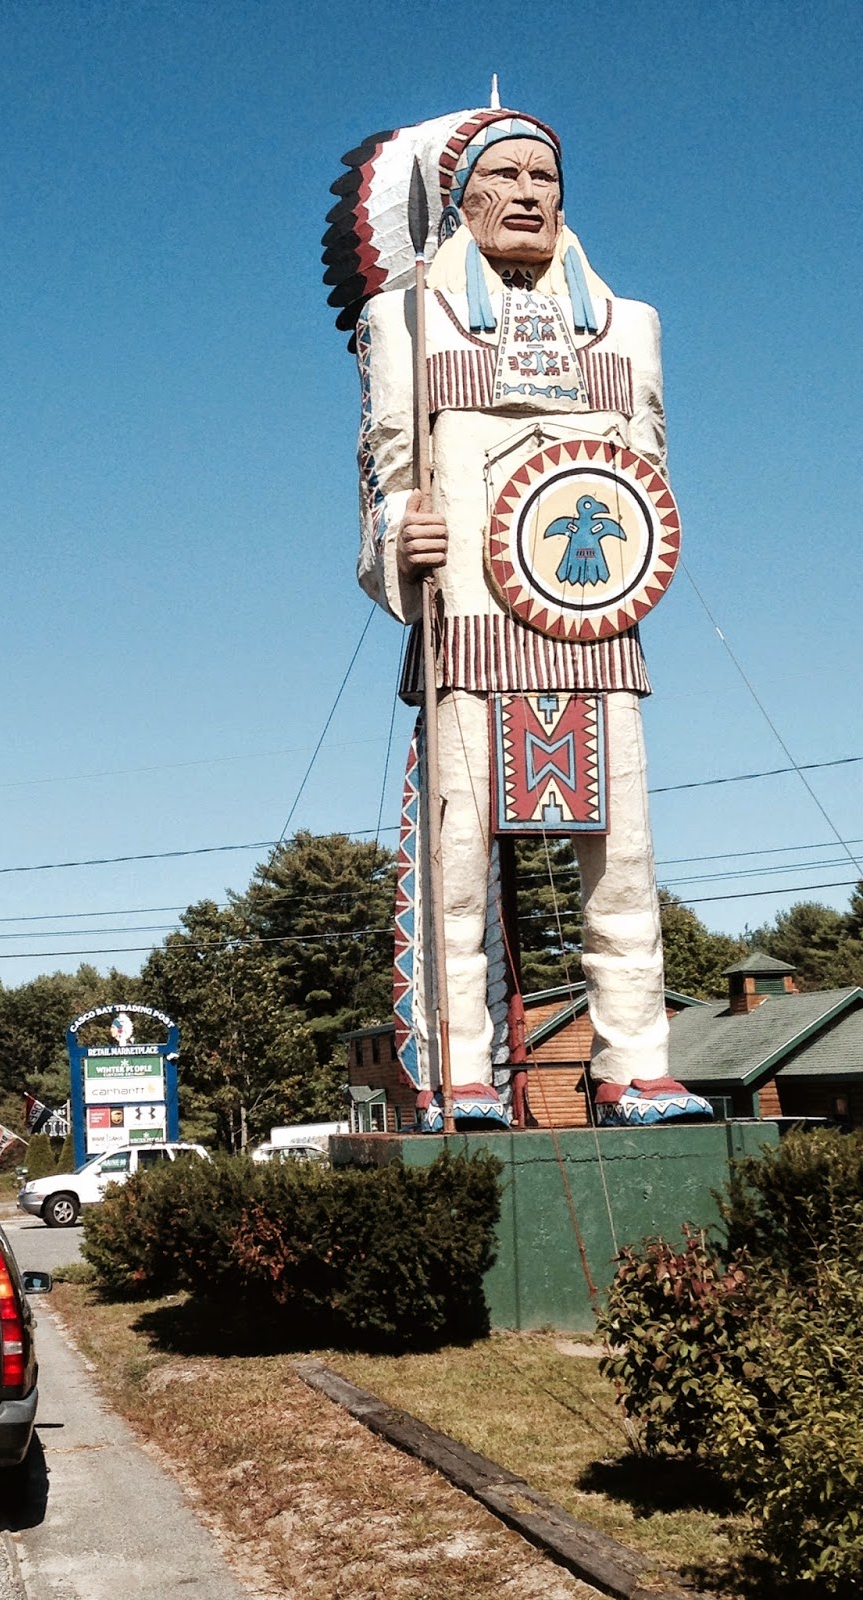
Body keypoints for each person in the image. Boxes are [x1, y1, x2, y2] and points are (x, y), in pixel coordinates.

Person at [326, 101, 710, 1128]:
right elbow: (388, 469)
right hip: (469, 629)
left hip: (595, 625)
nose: (532, 194)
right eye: (510, 177)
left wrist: (625, 556)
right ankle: (465, 1072)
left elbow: (649, 471)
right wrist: (396, 539)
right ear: (465, 199)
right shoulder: (407, 321)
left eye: (548, 176)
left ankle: (635, 1062)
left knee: (623, 860)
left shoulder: (629, 326)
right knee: (458, 862)